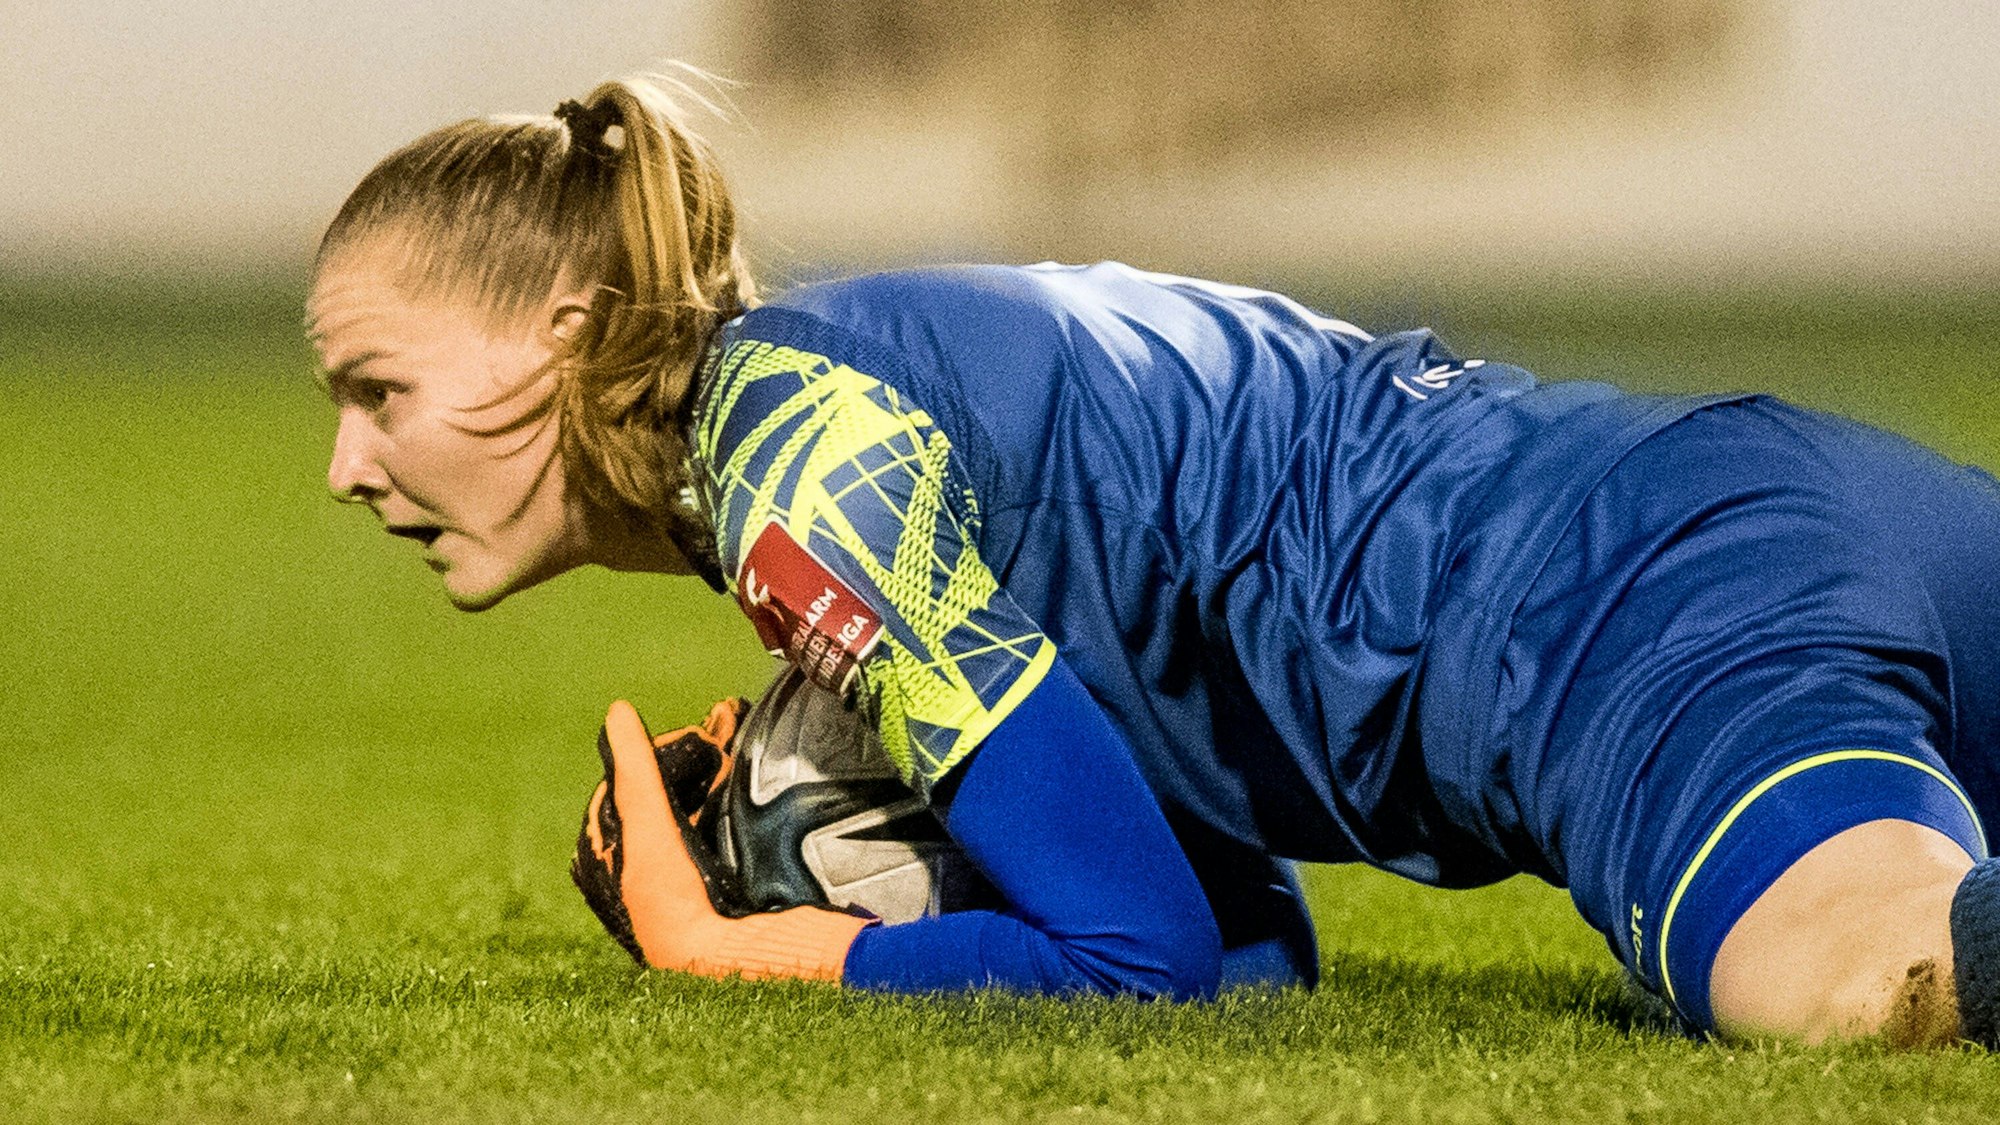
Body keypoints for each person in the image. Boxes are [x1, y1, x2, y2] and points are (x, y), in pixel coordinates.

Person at [306, 73, 2000, 1046]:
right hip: (1746, 489)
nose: (345, 464)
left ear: (566, 331)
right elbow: (1246, 945)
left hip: (1616, 628)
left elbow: (1143, 959)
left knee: (1867, 984)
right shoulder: (829, 392)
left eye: (377, 389)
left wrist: (750, 943)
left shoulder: (796, 478)